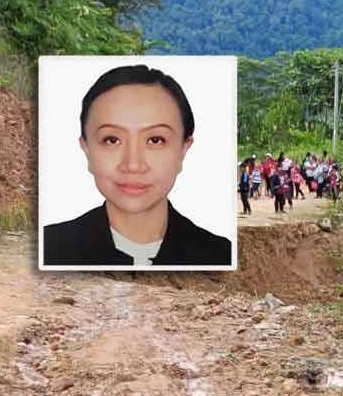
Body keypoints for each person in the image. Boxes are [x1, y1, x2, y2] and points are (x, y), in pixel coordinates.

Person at [43, 64, 231, 267]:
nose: (133, 165)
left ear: (182, 151)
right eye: (112, 140)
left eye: (156, 140)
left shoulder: (219, 254)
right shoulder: (50, 248)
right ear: (87, 150)